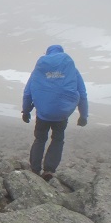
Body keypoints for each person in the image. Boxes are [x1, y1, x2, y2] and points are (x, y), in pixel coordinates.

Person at [21, 44, 89, 181]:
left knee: (40, 139)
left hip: (43, 112)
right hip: (62, 113)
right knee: (57, 139)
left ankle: (35, 169)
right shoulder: (71, 69)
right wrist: (83, 115)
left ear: (47, 53)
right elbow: (82, 93)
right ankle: (49, 169)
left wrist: (26, 111)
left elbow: (28, 91)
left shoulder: (40, 69)